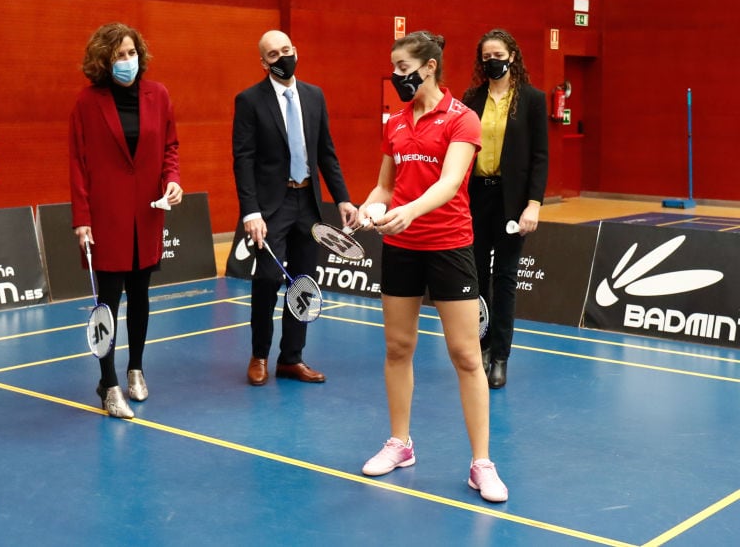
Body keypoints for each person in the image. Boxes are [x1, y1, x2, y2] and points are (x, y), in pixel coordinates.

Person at [358, 31, 508, 503]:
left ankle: (481, 463)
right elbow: (387, 187)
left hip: (449, 245)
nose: (396, 76)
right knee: (398, 347)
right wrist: (368, 206)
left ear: (428, 67)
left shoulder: (462, 119)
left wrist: (411, 211)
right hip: (401, 246)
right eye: (393, 68)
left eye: (403, 67)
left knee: (466, 356)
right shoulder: (396, 123)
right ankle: (400, 444)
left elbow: (449, 182)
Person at [232, 30, 358, 387]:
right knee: (268, 280)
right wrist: (250, 211)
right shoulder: (250, 100)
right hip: (272, 207)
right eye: (273, 54)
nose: (281, 57)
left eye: (285, 50)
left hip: (309, 203)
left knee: (303, 283)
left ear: (295, 51)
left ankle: (292, 358)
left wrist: (344, 198)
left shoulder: (314, 96)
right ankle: (259, 355)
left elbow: (326, 153)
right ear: (263, 62)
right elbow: (243, 160)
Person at [69, 23, 183, 420]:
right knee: (107, 302)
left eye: (132, 53)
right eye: (119, 56)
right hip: (106, 217)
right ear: (104, 60)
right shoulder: (87, 102)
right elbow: (78, 163)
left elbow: (170, 147)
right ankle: (108, 382)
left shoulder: (159, 95)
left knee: (141, 294)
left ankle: (135, 367)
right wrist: (81, 218)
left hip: (148, 213)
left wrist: (173, 181)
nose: (127, 62)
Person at [463, 29, 549, 389]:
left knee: (506, 279)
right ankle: (480, 347)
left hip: (513, 202)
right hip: (477, 197)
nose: (492, 61)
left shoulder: (531, 99)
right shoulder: (472, 97)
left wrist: (534, 204)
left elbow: (540, 157)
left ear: (512, 56)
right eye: (486, 57)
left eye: (498, 54)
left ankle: (500, 357)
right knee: (478, 278)